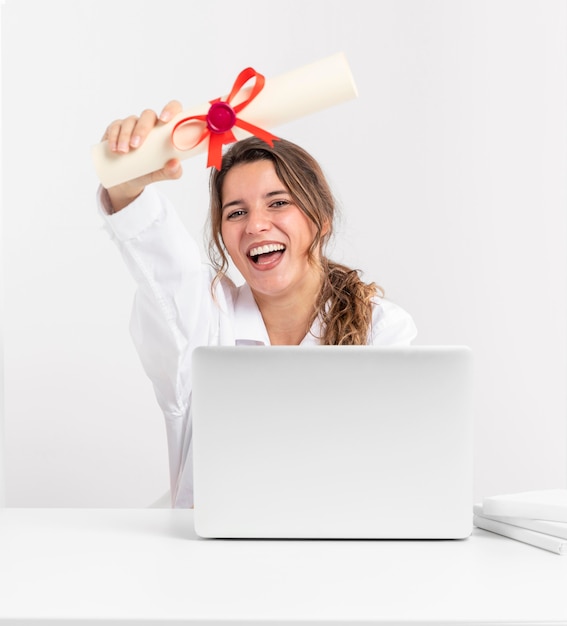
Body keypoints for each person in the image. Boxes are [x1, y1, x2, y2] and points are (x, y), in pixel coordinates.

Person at [98, 100, 417, 508]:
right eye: (236, 212)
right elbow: (166, 266)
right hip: (204, 561)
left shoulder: (382, 330)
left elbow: (386, 477)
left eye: (278, 203)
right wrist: (126, 183)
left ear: (321, 219)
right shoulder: (207, 319)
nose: (255, 225)